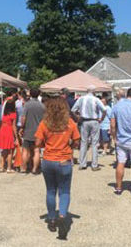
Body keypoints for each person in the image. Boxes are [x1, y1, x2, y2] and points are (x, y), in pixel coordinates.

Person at [35, 97, 80, 237]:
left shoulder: (44, 124)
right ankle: (62, 215)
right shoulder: (70, 123)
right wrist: (69, 147)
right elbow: (77, 141)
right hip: (64, 160)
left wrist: (45, 145)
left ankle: (52, 218)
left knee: (50, 190)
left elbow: (37, 142)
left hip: (48, 160)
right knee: (64, 191)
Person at [71, 85, 106, 171]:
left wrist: (77, 117)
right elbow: (104, 110)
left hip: (84, 121)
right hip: (94, 121)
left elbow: (72, 110)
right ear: (93, 91)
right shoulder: (96, 99)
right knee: (94, 143)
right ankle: (94, 165)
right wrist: (102, 118)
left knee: (84, 142)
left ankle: (82, 164)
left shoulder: (81, 99)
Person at [20, 89, 45, 174]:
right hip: (38, 131)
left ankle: (23, 168)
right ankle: (34, 169)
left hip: (28, 130)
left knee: (25, 150)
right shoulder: (42, 106)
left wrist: (22, 127)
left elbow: (23, 118)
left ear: (30, 94)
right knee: (37, 150)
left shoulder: (27, 105)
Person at [0, 101, 18, 173]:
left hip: (2, 131)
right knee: (10, 151)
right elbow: (14, 126)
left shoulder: (4, 115)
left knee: (3, 150)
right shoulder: (14, 114)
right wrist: (16, 137)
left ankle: (2, 167)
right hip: (9, 131)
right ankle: (9, 168)